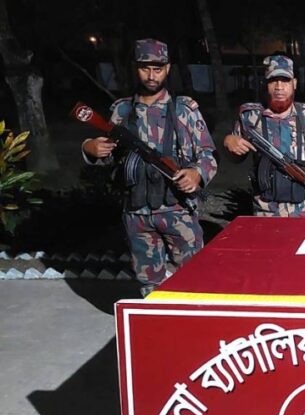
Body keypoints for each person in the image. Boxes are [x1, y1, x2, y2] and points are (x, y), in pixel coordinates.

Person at [81, 38, 216, 297]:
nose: (152, 75)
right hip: (137, 212)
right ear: (136, 68)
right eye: (145, 68)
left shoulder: (184, 110)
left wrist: (197, 174)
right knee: (149, 284)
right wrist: (90, 149)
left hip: (178, 210)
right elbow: (110, 157)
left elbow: (207, 153)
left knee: (193, 279)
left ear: (167, 69)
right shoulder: (121, 110)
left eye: (158, 68)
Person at [222, 54, 305, 217]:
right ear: (265, 84)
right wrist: (229, 142)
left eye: (285, 80)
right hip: (265, 211)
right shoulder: (251, 116)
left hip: (304, 209)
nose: (279, 87)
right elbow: (236, 158)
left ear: (294, 83)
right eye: (273, 81)